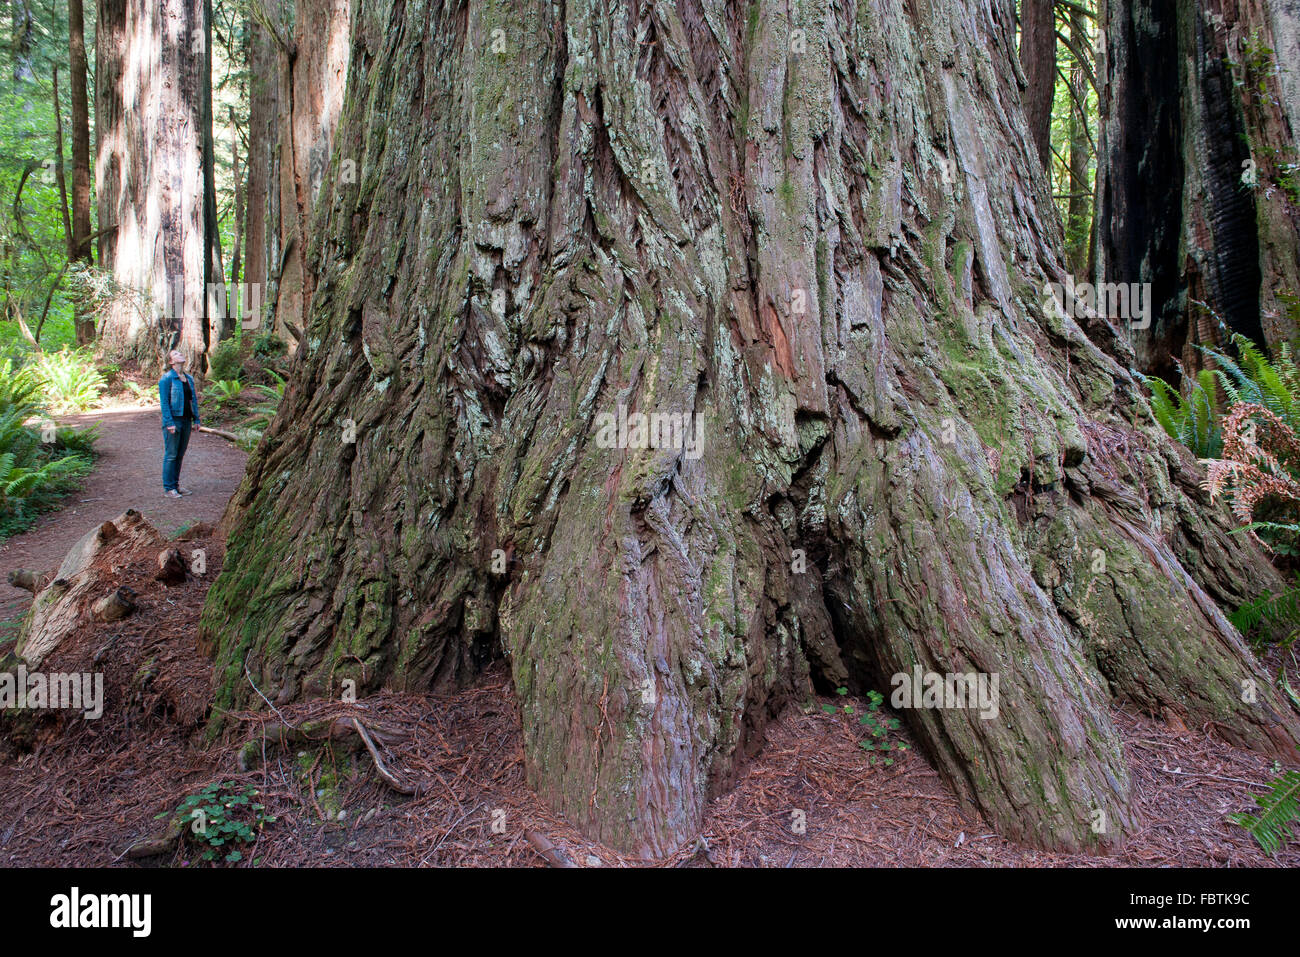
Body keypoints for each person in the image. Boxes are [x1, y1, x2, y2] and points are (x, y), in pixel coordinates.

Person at [159, 350, 200, 498]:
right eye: (176, 354)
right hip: (174, 421)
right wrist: (169, 423)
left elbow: (193, 400)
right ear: (171, 362)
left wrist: (197, 419)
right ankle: (169, 488)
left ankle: (176, 485)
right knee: (171, 455)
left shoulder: (189, 378)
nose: (180, 354)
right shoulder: (166, 379)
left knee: (180, 455)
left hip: (186, 421)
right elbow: (164, 403)